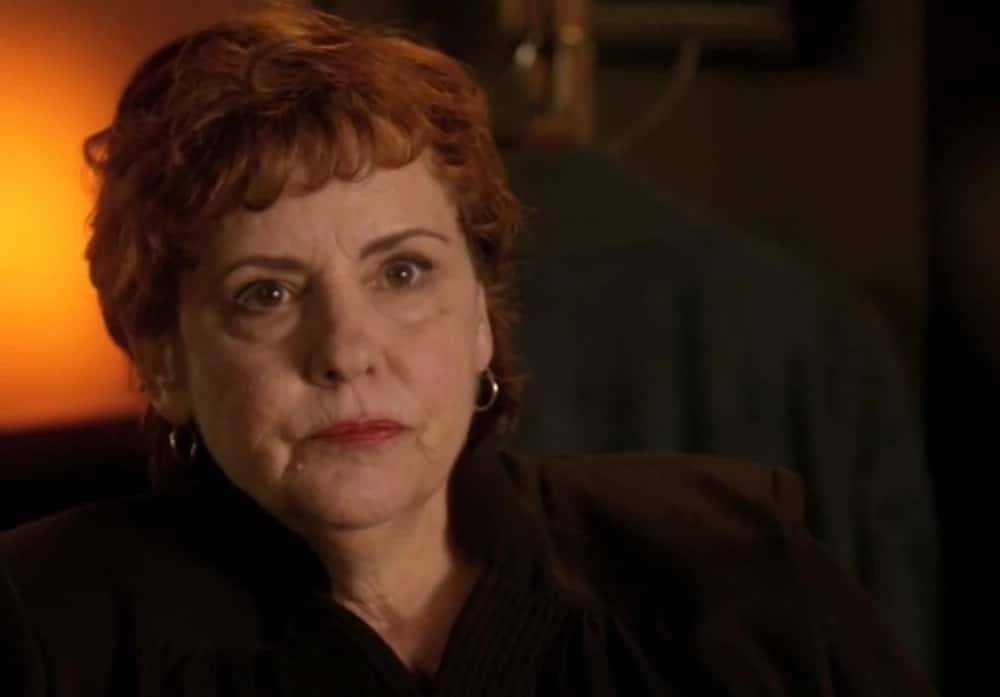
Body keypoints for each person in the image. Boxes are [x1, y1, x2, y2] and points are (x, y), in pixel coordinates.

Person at [0, 5, 935, 695]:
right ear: (164, 361)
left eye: (402, 272)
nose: (348, 350)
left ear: (481, 314)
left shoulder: (740, 568)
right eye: (267, 293)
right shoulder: (47, 630)